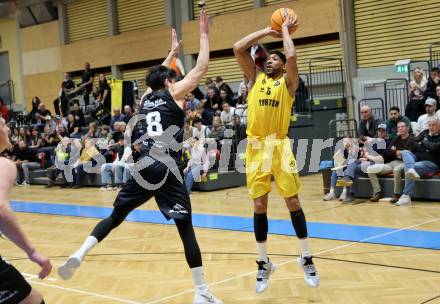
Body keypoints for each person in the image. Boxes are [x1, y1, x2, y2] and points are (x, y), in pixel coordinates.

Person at [58, 11, 222, 304]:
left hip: (143, 165)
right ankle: (201, 292)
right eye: (172, 77)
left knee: (115, 216)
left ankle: (79, 253)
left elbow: (155, 75)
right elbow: (202, 67)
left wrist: (171, 53)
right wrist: (204, 34)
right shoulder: (175, 94)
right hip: (167, 166)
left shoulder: (145, 98)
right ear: (170, 82)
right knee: (185, 229)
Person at [233, 13, 319, 293]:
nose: (268, 60)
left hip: (279, 145)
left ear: (282, 66)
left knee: (293, 201)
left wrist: (284, 31)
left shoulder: (288, 84)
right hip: (256, 146)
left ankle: (306, 257)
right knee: (259, 206)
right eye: (267, 59)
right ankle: (263, 263)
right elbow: (237, 47)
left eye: (274, 59)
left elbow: (292, 57)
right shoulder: (254, 78)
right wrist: (266, 30)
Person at [0, 118, 52, 304]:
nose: (7, 129)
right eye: (3, 125)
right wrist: (32, 251)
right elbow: (0, 208)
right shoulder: (4, 165)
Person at [396, 116, 440, 206]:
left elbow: (436, 148)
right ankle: (411, 169)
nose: (431, 127)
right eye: (429, 125)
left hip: (432, 163)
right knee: (405, 152)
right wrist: (426, 148)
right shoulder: (425, 132)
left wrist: (423, 143)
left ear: (439, 126)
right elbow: (412, 142)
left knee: (408, 167)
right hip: (418, 158)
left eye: (434, 125)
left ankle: (406, 196)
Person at [366, 121, 414, 202]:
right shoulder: (396, 138)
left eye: (402, 127)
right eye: (399, 127)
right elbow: (388, 151)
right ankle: (377, 192)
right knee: (370, 169)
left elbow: (408, 152)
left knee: (396, 170)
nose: (401, 129)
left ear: (407, 128)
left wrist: (396, 151)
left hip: (404, 163)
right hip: (392, 163)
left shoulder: (411, 138)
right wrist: (396, 152)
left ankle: (396, 194)